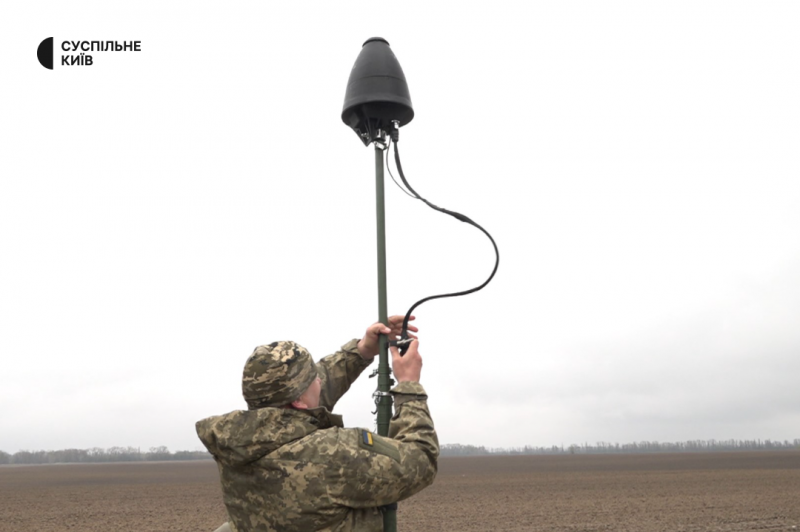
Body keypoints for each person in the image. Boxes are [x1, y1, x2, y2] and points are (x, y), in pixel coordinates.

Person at [196, 315, 439, 532]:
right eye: (314, 378)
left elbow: (306, 397)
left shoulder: (234, 443)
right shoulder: (332, 453)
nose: (320, 381)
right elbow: (420, 460)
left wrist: (362, 350)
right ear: (300, 400)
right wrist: (409, 387)